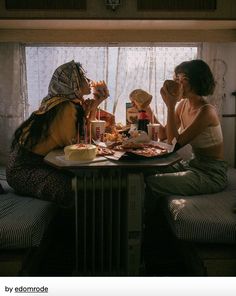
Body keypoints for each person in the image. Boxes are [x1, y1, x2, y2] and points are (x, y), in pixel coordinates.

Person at [6, 60, 109, 207]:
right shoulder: (65, 107)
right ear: (72, 82)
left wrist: (94, 105)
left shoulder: (62, 102)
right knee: (76, 191)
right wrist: (93, 108)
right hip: (24, 170)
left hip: (35, 163)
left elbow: (79, 139)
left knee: (82, 184)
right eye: (83, 77)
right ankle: (72, 228)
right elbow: (78, 145)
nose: (88, 80)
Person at [146, 59, 228, 198]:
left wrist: (170, 107)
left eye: (184, 79)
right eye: (177, 78)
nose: (178, 83)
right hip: (192, 164)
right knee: (145, 170)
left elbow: (173, 144)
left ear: (197, 82)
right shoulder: (183, 104)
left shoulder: (206, 111)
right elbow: (164, 135)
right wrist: (146, 108)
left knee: (152, 181)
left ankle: (149, 218)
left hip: (211, 173)